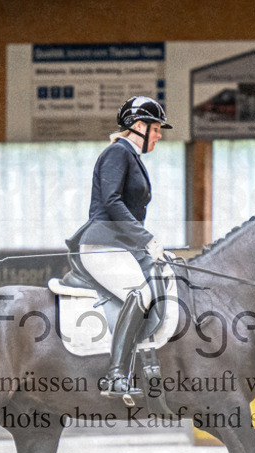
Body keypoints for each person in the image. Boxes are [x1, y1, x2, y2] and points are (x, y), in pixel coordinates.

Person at [66, 96, 171, 398]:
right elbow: (111, 202)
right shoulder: (117, 153)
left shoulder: (131, 157)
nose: (159, 135)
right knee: (141, 292)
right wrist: (145, 239)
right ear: (139, 126)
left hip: (120, 246)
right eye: (156, 129)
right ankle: (115, 376)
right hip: (102, 244)